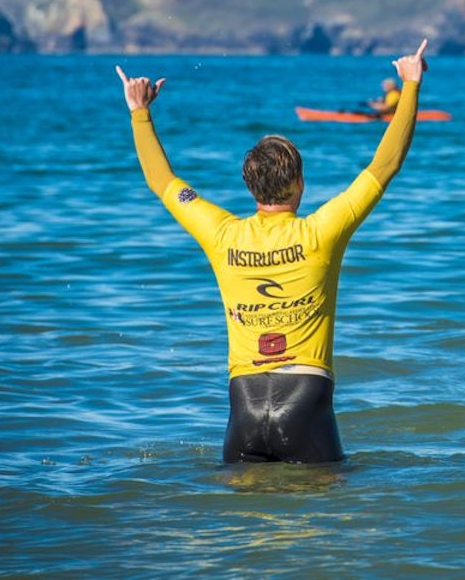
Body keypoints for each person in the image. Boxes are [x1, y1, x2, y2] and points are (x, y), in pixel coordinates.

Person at [116, 40, 430, 463]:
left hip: (243, 406)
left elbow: (163, 181)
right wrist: (410, 85)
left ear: (250, 187)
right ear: (300, 184)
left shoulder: (221, 234)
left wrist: (140, 111)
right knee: (327, 517)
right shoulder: (323, 230)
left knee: (246, 525)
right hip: (306, 404)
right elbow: (384, 165)